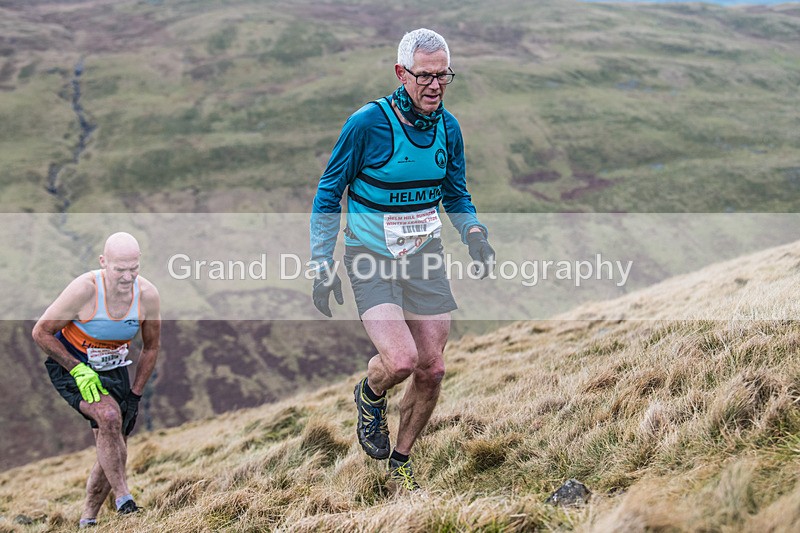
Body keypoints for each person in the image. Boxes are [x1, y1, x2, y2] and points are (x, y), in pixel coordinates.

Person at [310, 28, 495, 492]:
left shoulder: (449, 128)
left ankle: (401, 462)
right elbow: (328, 194)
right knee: (400, 361)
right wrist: (321, 263)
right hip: (371, 258)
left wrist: (473, 232)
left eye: (443, 76)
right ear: (401, 73)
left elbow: (456, 193)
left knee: (432, 368)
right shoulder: (367, 124)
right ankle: (370, 393)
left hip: (424, 258)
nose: (435, 85)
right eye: (424, 75)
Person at [32, 232, 161, 527]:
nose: (127, 276)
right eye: (120, 269)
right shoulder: (85, 290)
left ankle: (88, 520)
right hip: (71, 363)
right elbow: (40, 332)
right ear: (104, 262)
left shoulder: (148, 295)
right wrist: (78, 369)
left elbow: (151, 347)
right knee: (109, 416)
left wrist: (135, 395)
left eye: (134, 268)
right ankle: (125, 499)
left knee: (114, 437)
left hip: (114, 368)